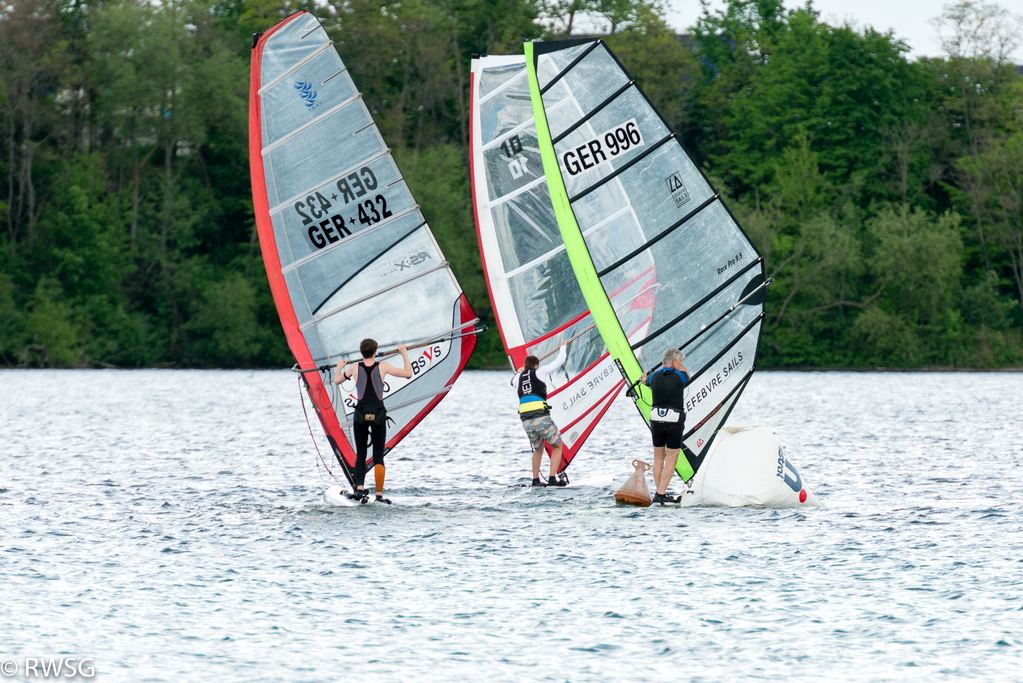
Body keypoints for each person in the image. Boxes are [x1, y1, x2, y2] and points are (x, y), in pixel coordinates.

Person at [333, 338, 412, 504]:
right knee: (378, 457)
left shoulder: (354, 368)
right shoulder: (383, 366)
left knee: (361, 454)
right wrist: (404, 354)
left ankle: (359, 490)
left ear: (361, 352)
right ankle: (379, 495)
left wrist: (340, 367)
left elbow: (337, 380)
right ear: (375, 352)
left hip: (361, 415)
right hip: (378, 416)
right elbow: (408, 373)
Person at [514, 342, 569, 487]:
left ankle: (535, 480)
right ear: (536, 366)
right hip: (540, 417)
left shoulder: (518, 378)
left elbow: (513, 381)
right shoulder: (540, 371)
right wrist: (563, 345)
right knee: (557, 445)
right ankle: (552, 479)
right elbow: (560, 361)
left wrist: (520, 372)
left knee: (538, 448)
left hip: (526, 421)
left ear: (525, 366)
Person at [640, 347, 691, 504]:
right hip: (674, 420)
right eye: (679, 361)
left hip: (656, 419)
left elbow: (644, 380)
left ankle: (659, 493)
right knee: (671, 458)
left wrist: (643, 376)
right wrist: (680, 366)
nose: (681, 364)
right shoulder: (680, 375)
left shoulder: (653, 376)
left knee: (658, 457)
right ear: (674, 361)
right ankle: (661, 494)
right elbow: (688, 376)